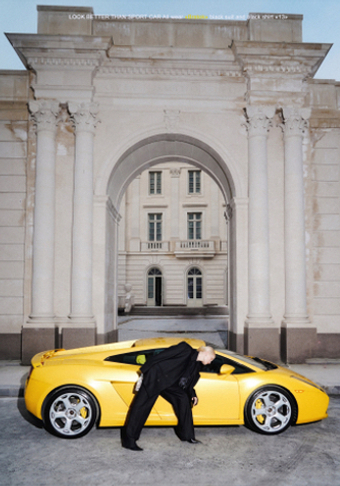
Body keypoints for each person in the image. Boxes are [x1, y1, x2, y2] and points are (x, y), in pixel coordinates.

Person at [121, 341, 216, 451]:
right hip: (156, 378)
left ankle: (188, 436)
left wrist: (192, 394)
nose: (210, 362)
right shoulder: (185, 349)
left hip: (169, 384)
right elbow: (162, 355)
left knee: (183, 399)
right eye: (211, 359)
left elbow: (188, 383)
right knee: (141, 408)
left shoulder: (195, 366)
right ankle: (129, 440)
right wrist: (144, 372)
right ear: (206, 354)